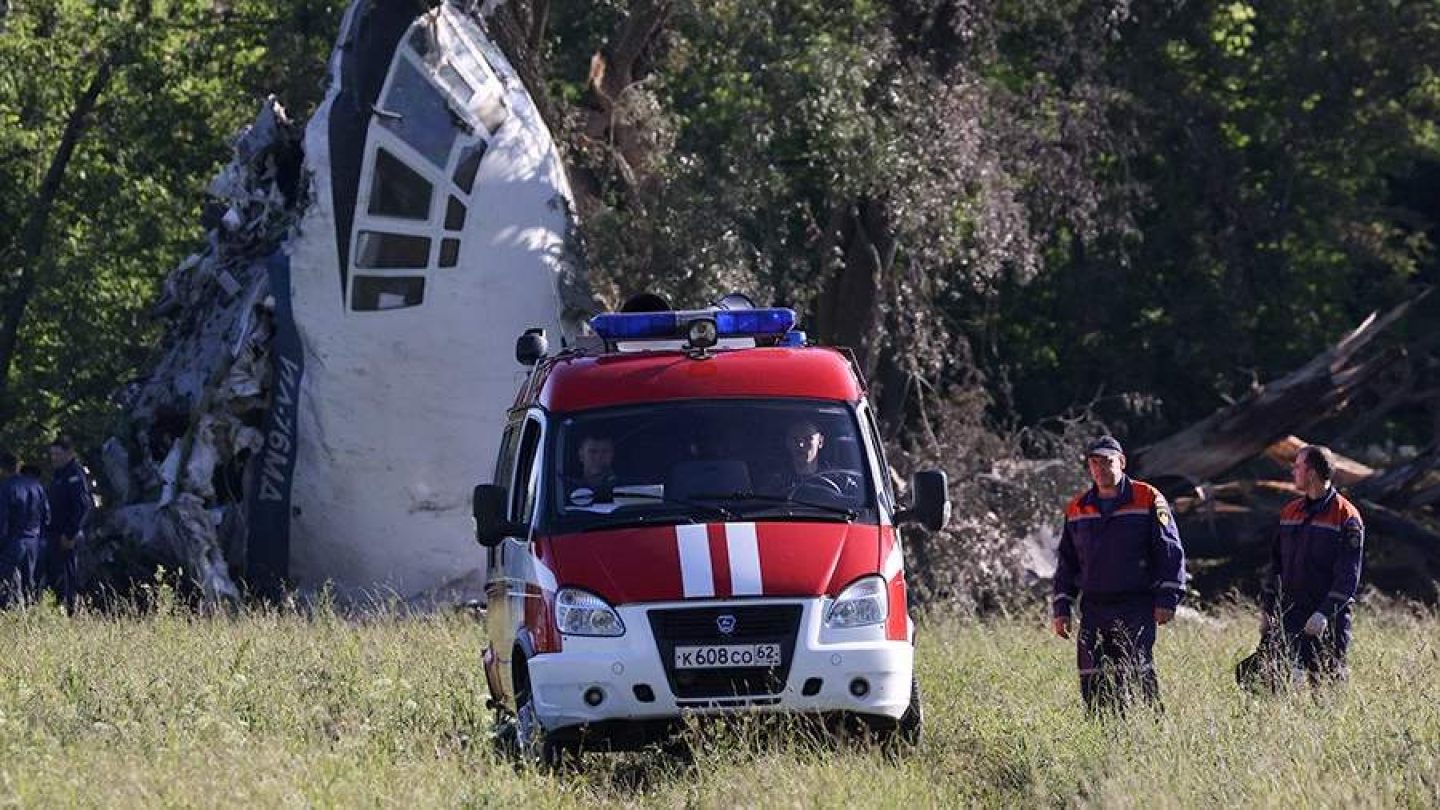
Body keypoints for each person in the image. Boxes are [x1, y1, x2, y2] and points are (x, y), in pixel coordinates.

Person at [1052, 436, 1186, 713]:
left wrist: (1167, 599)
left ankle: (1151, 732)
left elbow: (1170, 550)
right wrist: (1061, 607)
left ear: (1122, 462)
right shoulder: (1077, 508)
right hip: (1094, 607)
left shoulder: (1148, 497)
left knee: (1137, 675)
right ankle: (1104, 739)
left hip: (1135, 605)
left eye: (1107, 462)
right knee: (1093, 681)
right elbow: (1067, 563)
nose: (1101, 469)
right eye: (1095, 463)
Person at [1253, 444, 1363, 685]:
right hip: (1290, 614)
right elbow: (1275, 566)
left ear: (1311, 473)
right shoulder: (1290, 512)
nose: (1293, 472)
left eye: (1297, 467)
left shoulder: (1346, 516)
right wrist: (1267, 610)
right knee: (1273, 685)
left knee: (1325, 688)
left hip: (1327, 620)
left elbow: (1348, 577)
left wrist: (1324, 613)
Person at [43, 435, 93, 613]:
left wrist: (70, 534)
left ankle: (69, 610)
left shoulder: (74, 475)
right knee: (55, 577)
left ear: (70, 454)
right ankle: (57, 610)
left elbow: (82, 506)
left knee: (67, 576)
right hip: (55, 534)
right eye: (52, 454)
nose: (54, 458)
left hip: (68, 536)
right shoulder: (59, 475)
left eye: (58, 454)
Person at [0, 448, 49, 607]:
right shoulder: (37, 486)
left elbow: (3, 518)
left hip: (13, 541)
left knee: (9, 586)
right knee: (30, 584)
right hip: (34, 541)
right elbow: (47, 516)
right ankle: (31, 616)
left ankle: (11, 618)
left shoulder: (7, 488)